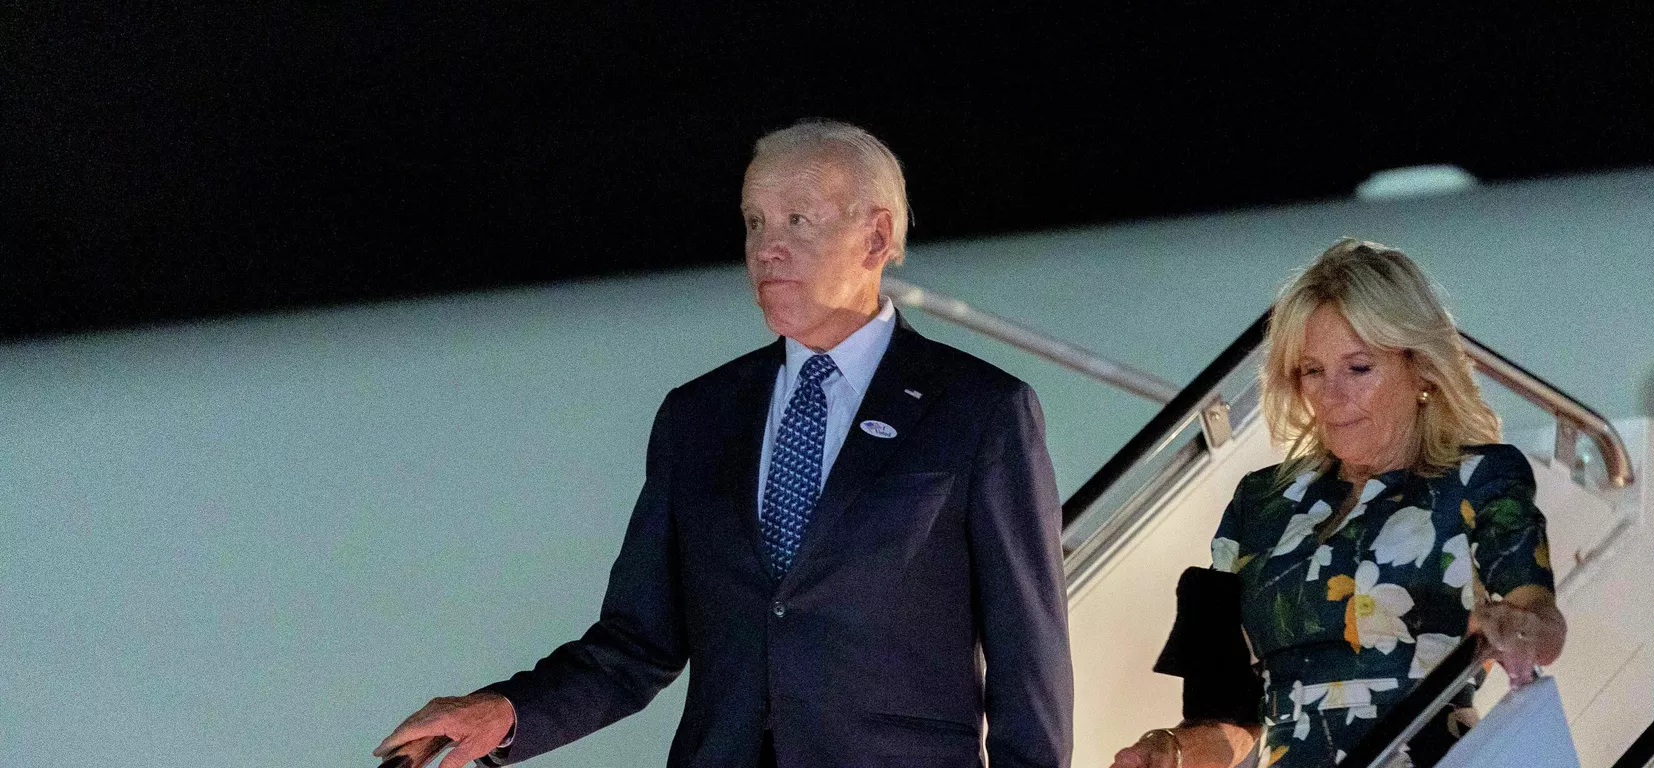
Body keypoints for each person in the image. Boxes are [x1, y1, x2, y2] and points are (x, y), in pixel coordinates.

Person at [374, 119, 1073, 768]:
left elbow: (1028, 660)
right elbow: (637, 643)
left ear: (876, 237)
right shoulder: (700, 417)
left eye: (798, 219)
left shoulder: (979, 412)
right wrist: (509, 712)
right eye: (754, 222)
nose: (767, 246)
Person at [1110, 239, 1567, 768]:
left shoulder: (1481, 476)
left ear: (1419, 367)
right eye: (1312, 371)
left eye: (1359, 368)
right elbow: (1228, 716)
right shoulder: (1257, 502)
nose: (1332, 395)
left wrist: (1521, 629)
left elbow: (1539, 617)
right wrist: (1170, 751)